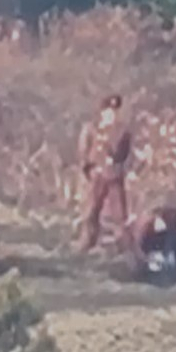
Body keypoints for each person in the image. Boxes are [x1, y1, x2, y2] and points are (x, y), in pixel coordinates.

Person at [77, 94, 132, 252]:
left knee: (119, 216)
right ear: (102, 112)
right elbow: (85, 149)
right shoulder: (93, 128)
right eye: (109, 110)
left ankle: (125, 247)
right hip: (97, 175)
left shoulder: (122, 131)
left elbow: (122, 153)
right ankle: (87, 243)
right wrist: (87, 167)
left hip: (114, 176)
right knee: (91, 212)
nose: (112, 114)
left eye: (114, 111)